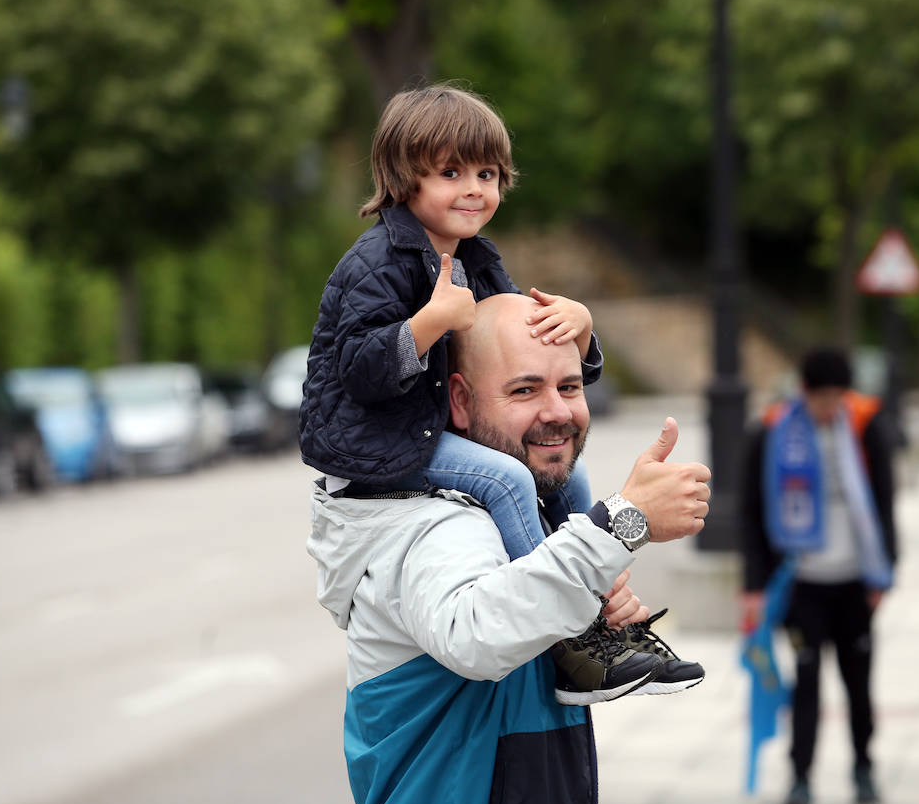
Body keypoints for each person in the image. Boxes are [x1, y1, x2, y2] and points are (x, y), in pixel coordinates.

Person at [298, 82, 701, 703]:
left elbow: (519, 351)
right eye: (451, 173)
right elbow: (359, 371)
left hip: (428, 430)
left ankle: (602, 618)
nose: (473, 189)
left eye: (486, 174)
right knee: (510, 478)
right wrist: (428, 323)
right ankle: (574, 639)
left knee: (570, 475)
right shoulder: (375, 262)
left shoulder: (477, 260)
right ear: (403, 177)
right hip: (379, 444)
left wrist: (581, 331)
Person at [307, 293, 711, 804]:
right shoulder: (432, 527)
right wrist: (621, 524)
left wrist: (593, 607)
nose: (558, 412)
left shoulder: (521, 520)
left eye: (569, 387)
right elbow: (477, 633)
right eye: (524, 390)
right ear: (460, 402)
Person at [739, 347, 899, 804]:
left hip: (854, 581)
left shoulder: (865, 427)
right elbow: (751, 513)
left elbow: (885, 500)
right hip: (801, 583)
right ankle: (801, 779)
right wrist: (754, 586)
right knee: (806, 680)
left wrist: (885, 571)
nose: (831, 407)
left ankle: (864, 767)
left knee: (858, 681)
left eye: (838, 397)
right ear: (804, 392)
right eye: (822, 397)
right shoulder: (773, 431)